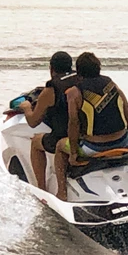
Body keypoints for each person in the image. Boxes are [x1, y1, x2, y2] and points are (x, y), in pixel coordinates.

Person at [54, 52, 128, 201]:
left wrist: (74, 153)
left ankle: (62, 193)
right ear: (98, 68)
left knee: (59, 146)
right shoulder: (112, 85)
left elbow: (73, 124)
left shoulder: (75, 92)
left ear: (79, 72)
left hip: (95, 148)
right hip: (123, 143)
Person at [17, 51, 79, 191]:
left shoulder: (51, 89)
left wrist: (26, 108)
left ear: (51, 69)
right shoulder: (81, 79)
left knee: (36, 142)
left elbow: (33, 122)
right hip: (85, 133)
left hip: (63, 137)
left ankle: (41, 188)